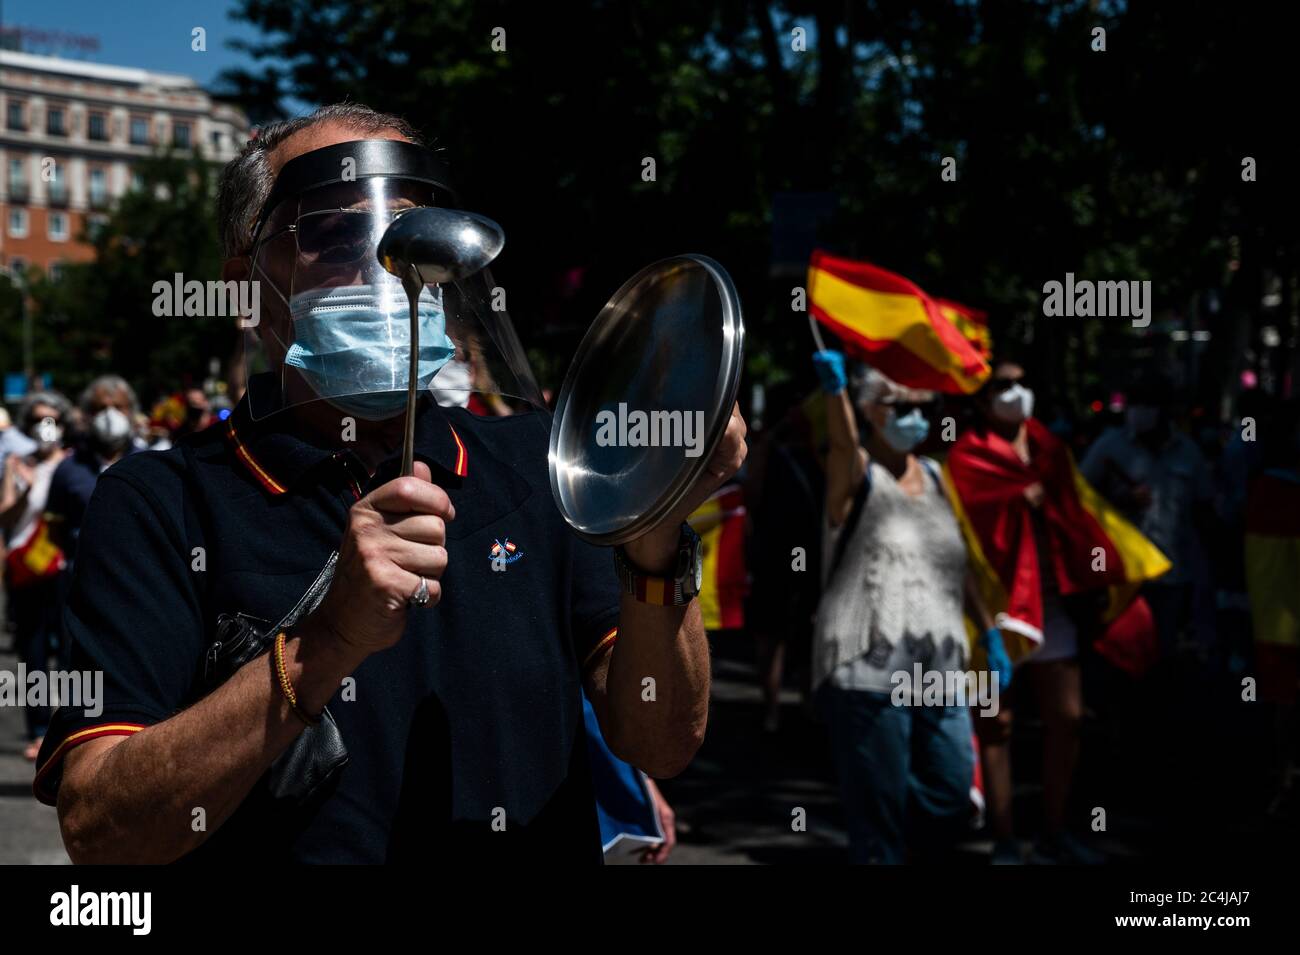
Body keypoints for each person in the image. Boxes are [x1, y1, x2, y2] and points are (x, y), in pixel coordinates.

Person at [34, 104, 746, 864]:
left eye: (414, 239)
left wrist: (652, 533)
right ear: (246, 286)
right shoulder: (160, 501)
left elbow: (661, 740)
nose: (387, 269)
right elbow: (101, 829)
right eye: (338, 236)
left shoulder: (538, 468)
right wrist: (323, 645)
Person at [810, 350, 1003, 865]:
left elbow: (955, 565)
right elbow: (845, 445)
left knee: (948, 793)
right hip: (868, 673)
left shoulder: (937, 478)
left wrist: (989, 634)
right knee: (879, 818)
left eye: (923, 405)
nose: (915, 416)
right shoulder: (856, 478)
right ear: (871, 409)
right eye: (900, 406)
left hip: (940, 669)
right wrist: (836, 395)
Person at [948, 361, 1102, 864]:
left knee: (1069, 718)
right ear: (984, 399)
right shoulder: (968, 456)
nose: (1016, 392)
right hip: (993, 610)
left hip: (1051, 605)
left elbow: (1080, 512)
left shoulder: (1051, 451)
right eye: (1003, 385)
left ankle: (1056, 829)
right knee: (997, 723)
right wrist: (1016, 500)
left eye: (1021, 381)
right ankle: (1005, 838)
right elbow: (967, 530)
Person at [1080, 372, 1215, 662]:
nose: (1138, 411)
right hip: (1122, 577)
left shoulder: (1188, 454)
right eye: (1134, 403)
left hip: (1171, 574)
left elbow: (1204, 510)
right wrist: (1119, 501)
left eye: (1147, 403)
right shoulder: (1108, 447)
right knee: (1119, 655)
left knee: (1162, 655)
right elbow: (1078, 501)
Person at [0, 391, 71, 759]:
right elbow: (6, 517)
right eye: (37, 420)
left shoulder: (72, 465)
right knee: (34, 652)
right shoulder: (17, 463)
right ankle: (40, 729)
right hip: (27, 568)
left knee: (71, 649)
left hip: (63, 568)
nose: (45, 427)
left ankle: (73, 727)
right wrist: (26, 489)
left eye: (52, 420)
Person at [44, 376, 142, 558]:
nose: (109, 415)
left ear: (131, 412)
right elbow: (54, 531)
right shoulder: (68, 468)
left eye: (118, 407)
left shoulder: (148, 464)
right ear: (88, 414)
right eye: (100, 408)